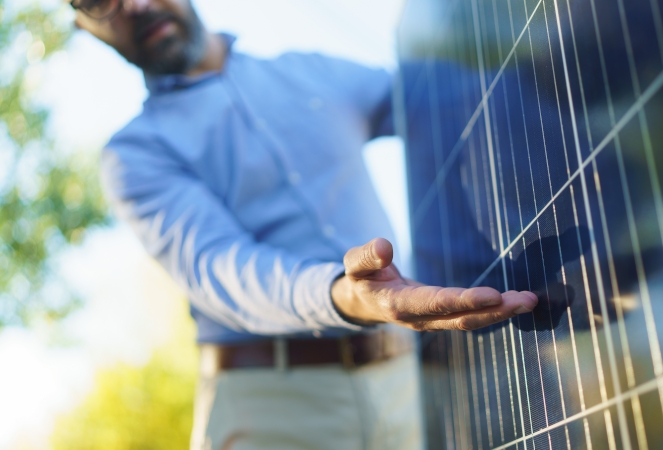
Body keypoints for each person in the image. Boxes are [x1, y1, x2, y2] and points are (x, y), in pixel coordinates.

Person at [71, 0, 539, 448]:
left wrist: (560, 56)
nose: (132, 3)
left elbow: (444, 101)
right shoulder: (136, 155)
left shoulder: (312, 71)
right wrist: (343, 295)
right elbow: (223, 268)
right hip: (271, 412)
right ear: (84, 27)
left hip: (406, 386)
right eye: (97, 0)